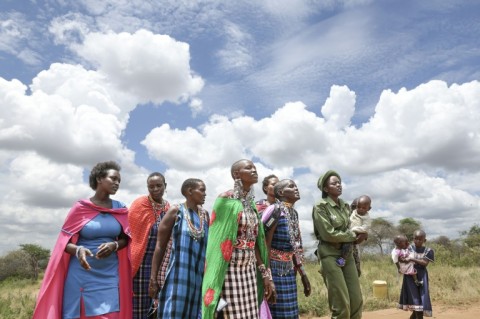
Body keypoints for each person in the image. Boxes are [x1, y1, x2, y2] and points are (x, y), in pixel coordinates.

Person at [33, 161, 132, 319]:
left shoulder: (120, 208)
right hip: (81, 275)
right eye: (113, 179)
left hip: (109, 276)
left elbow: (125, 240)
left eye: (119, 180)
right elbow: (64, 244)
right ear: (100, 178)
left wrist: (114, 245)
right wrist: (78, 250)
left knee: (111, 314)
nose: (117, 183)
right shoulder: (81, 208)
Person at [201, 159, 276, 319]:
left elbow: (256, 243)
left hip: (249, 271)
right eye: (248, 168)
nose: (254, 170)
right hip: (229, 272)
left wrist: (264, 274)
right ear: (236, 174)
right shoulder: (225, 201)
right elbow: (216, 244)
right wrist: (215, 282)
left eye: (255, 168)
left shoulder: (250, 204)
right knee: (229, 314)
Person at [148, 178, 209, 318]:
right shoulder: (176, 211)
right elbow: (160, 245)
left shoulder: (205, 216)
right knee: (174, 312)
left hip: (198, 277)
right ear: (189, 191)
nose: (205, 194)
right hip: (177, 276)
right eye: (202, 190)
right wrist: (153, 279)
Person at [312, 170, 366, 319]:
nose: (338, 185)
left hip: (346, 254)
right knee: (341, 304)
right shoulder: (320, 206)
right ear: (325, 188)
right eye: (334, 183)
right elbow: (328, 233)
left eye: (339, 182)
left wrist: (361, 234)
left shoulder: (345, 206)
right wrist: (353, 236)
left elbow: (352, 226)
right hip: (329, 254)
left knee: (356, 300)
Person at [262, 179, 311, 318]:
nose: (296, 188)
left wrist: (303, 275)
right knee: (278, 312)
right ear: (281, 192)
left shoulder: (293, 214)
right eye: (291, 186)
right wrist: (268, 278)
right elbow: (264, 243)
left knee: (291, 312)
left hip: (288, 271)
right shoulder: (274, 210)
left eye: (296, 185)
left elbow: (295, 247)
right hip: (274, 271)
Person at [128, 172, 171, 318]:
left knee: (158, 307)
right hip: (141, 264)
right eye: (151, 186)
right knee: (139, 308)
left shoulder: (168, 208)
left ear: (165, 186)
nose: (155, 189)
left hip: (161, 265)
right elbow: (130, 235)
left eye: (159, 185)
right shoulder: (140, 204)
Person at [398, 230, 434, 318]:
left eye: (420, 239)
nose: (417, 241)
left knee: (422, 297)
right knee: (415, 298)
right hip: (410, 276)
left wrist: (412, 259)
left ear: (424, 240)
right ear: (413, 239)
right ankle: (418, 316)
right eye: (416, 239)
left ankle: (416, 316)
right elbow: (401, 258)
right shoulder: (408, 249)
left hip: (422, 276)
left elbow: (425, 263)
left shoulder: (428, 251)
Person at [337, 195, 372, 276]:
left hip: (352, 241)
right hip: (341, 241)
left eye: (363, 207)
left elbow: (365, 230)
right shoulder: (347, 214)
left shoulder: (365, 217)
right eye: (356, 206)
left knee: (355, 268)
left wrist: (363, 234)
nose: (359, 209)